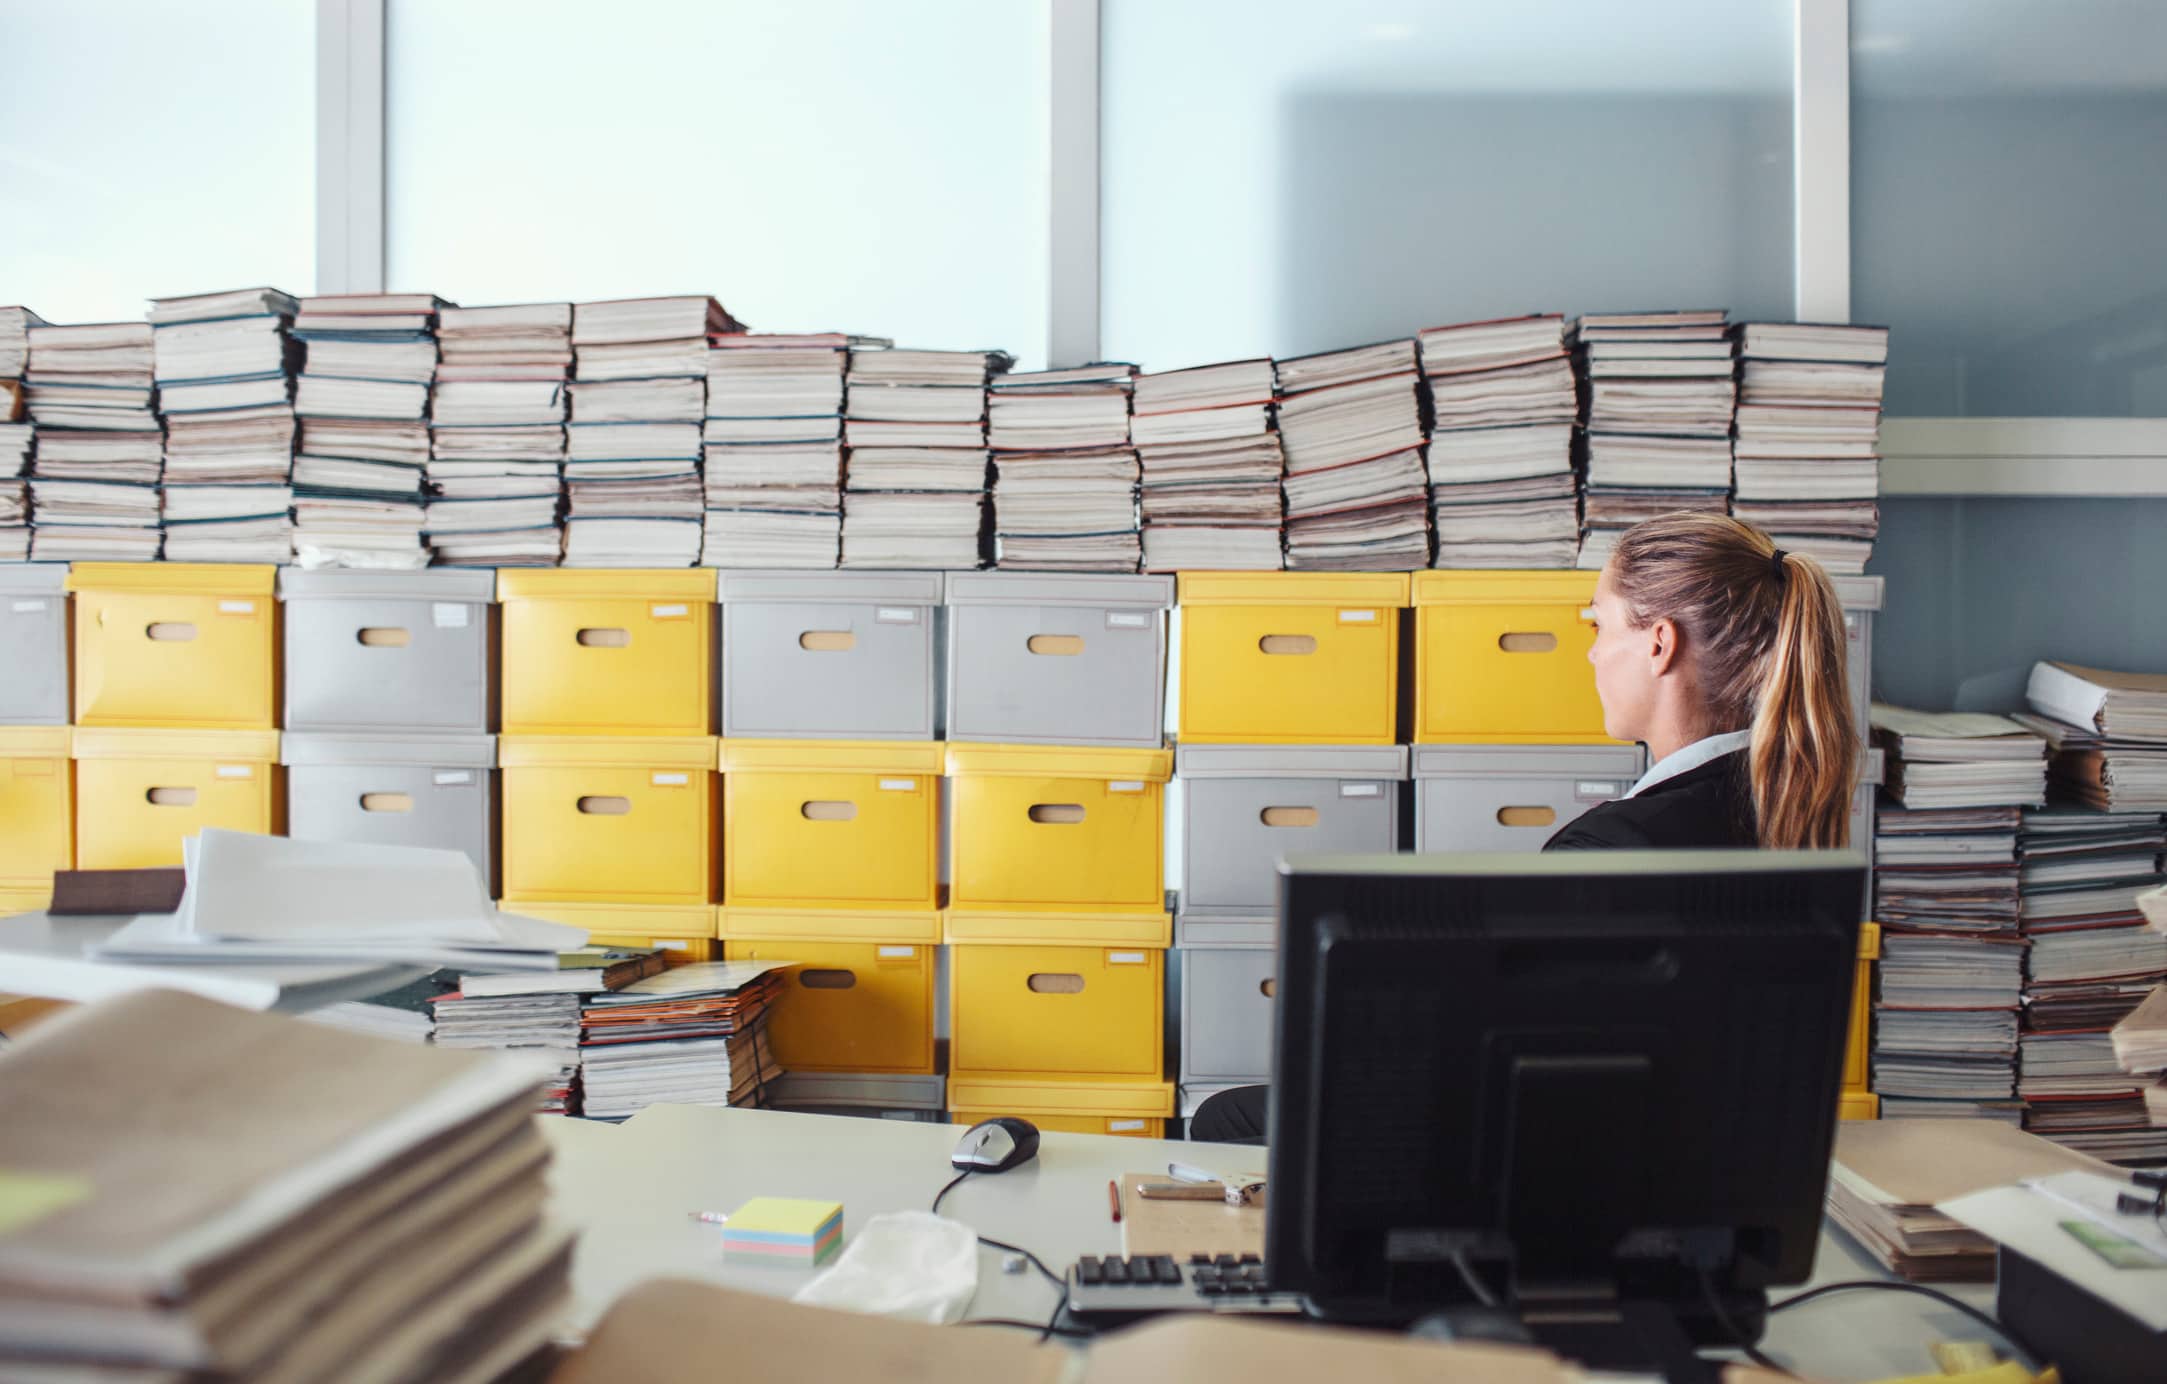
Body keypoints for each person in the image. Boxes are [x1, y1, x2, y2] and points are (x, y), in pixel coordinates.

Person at [1545, 512, 1859, 851]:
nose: (1593, 653)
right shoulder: (1791, 808)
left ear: (1660, 645)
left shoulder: (1600, 848)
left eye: (1599, 625)